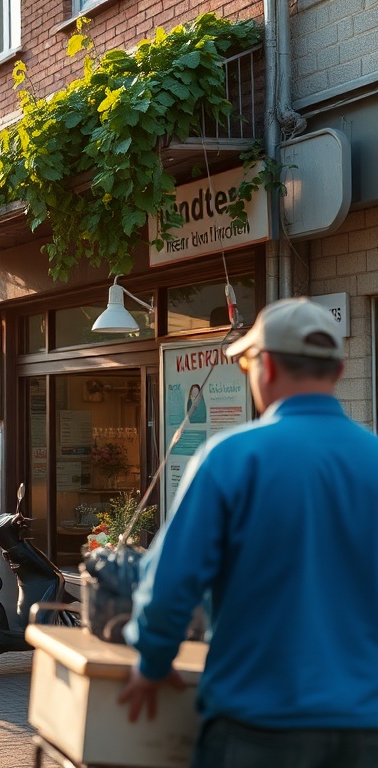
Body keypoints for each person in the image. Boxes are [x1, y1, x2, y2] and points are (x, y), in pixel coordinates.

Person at [119, 298, 378, 767]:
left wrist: (152, 661)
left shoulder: (230, 459)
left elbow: (171, 584)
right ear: (339, 371)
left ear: (267, 366)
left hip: (256, 729)